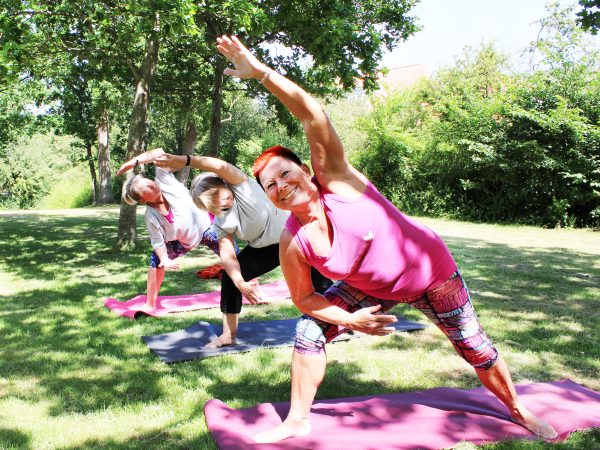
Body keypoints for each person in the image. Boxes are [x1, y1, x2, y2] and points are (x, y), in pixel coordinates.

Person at [216, 35, 558, 443]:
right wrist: (350, 319)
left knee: (475, 347)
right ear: (270, 198)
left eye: (285, 173)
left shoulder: (339, 182)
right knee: (308, 332)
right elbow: (305, 298)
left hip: (433, 275)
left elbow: (313, 116)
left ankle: (519, 410)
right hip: (370, 290)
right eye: (270, 185)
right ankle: (296, 420)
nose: (281, 185)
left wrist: (262, 74)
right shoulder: (294, 240)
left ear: (305, 169)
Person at [154, 153, 333, 348]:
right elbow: (227, 253)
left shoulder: (241, 185)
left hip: (295, 236)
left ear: (224, 184)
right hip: (266, 250)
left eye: (218, 196)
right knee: (230, 279)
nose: (221, 204)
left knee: (321, 280)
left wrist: (186, 160)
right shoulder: (222, 221)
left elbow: (220, 166)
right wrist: (240, 282)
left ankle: (340, 317)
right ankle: (228, 335)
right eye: (212, 205)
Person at [117, 148, 220, 313]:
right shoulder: (151, 216)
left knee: (234, 254)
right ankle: (150, 304)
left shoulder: (164, 181)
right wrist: (164, 259)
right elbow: (158, 241)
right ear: (144, 200)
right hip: (184, 241)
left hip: (207, 227)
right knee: (155, 260)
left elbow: (159, 152)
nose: (154, 186)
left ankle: (253, 285)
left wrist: (134, 161)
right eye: (149, 189)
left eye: (151, 183)